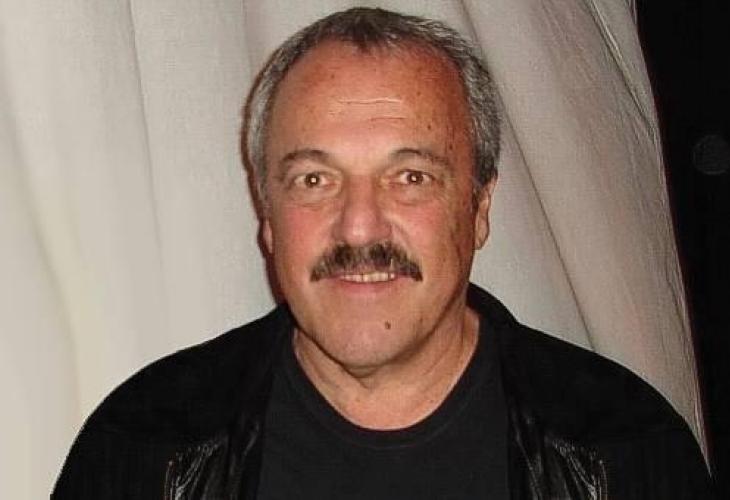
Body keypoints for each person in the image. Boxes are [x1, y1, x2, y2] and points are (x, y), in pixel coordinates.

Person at [53, 7, 712, 499]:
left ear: (479, 209)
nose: (359, 228)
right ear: (267, 216)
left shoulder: (627, 454)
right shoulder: (143, 449)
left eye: (411, 177)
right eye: (315, 179)